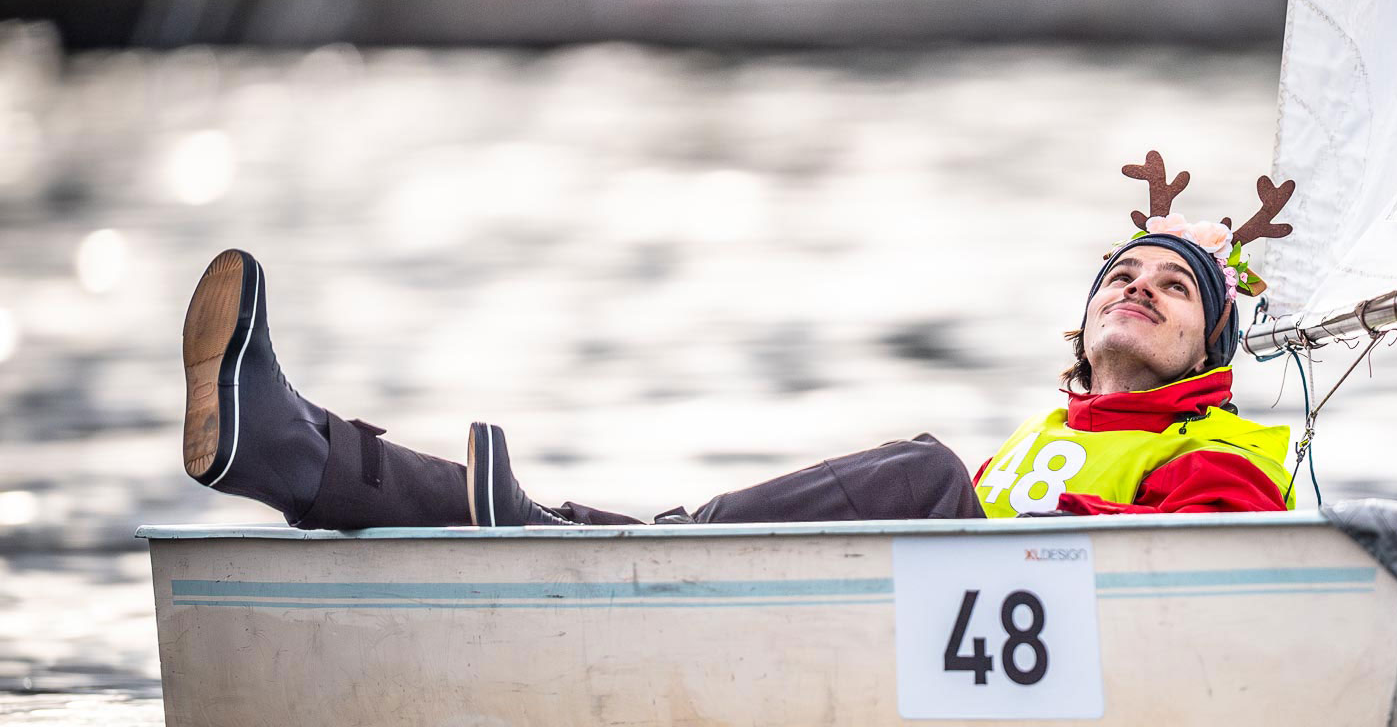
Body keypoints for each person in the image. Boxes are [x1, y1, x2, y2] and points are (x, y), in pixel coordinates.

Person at [181, 152, 1299, 529]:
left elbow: (1198, 582)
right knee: (542, 532)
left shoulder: (1223, 450)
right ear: (1084, 320)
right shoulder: (1041, 440)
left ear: (1211, 354)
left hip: (985, 675)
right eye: (1122, 276)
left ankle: (649, 551)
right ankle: (297, 455)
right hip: (889, 641)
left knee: (926, 472)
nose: (1139, 289)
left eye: (1175, 289)